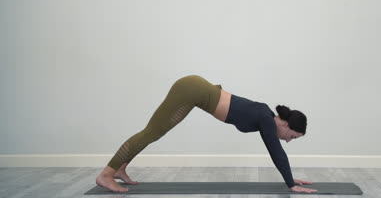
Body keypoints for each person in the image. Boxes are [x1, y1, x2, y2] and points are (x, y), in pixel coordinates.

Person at [95, 75, 317, 193]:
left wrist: (290, 178)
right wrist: (290, 183)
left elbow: (277, 151)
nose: (288, 140)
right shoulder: (267, 119)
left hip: (195, 90)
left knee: (153, 133)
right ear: (286, 124)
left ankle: (121, 168)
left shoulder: (265, 116)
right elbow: (276, 152)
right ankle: (106, 174)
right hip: (192, 90)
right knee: (151, 132)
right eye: (292, 136)